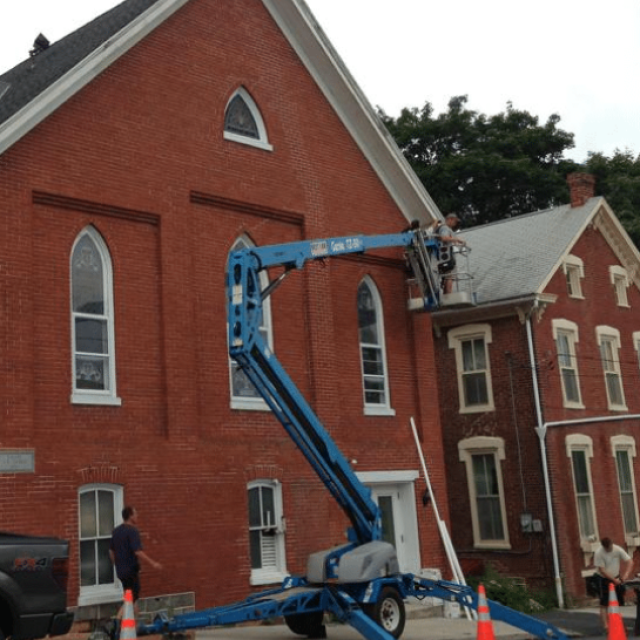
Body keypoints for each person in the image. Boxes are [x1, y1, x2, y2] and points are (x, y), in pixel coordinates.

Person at [109, 506, 162, 628]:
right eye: (135, 514)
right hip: (131, 570)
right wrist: (153, 563)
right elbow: (138, 551)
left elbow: (111, 551)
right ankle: (116, 622)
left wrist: (116, 564)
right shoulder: (132, 531)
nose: (137, 516)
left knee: (132, 596)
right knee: (131, 598)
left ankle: (136, 625)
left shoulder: (116, 531)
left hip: (121, 571)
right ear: (130, 516)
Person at [594, 536, 633, 632]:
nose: (609, 550)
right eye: (607, 548)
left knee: (617, 601)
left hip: (616, 576)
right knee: (604, 603)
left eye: (610, 547)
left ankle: (616, 622)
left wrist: (625, 575)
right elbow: (602, 570)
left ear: (612, 544)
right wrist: (614, 580)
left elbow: (630, 562)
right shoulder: (599, 553)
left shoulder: (617, 549)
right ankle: (606, 626)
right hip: (603, 579)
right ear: (603, 547)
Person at [435, 213, 467, 294]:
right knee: (449, 277)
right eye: (455, 222)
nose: (455, 224)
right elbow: (444, 238)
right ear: (450, 219)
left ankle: (446, 296)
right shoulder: (445, 228)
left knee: (447, 277)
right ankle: (448, 296)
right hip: (446, 257)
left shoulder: (443, 228)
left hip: (444, 257)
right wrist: (457, 239)